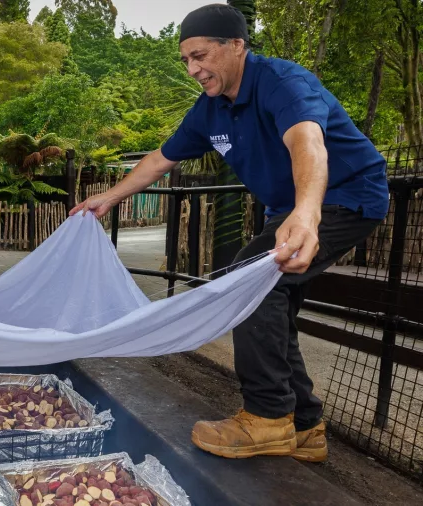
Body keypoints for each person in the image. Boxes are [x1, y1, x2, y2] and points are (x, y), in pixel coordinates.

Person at [72, 4, 389, 463]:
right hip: (288, 209)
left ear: (236, 46)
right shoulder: (210, 110)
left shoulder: (282, 82)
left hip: (345, 196)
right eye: (185, 60)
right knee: (270, 301)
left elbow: (308, 142)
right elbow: (162, 159)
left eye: (200, 55)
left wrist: (305, 213)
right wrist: (109, 198)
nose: (193, 69)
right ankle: (304, 427)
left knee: (247, 277)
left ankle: (267, 417)